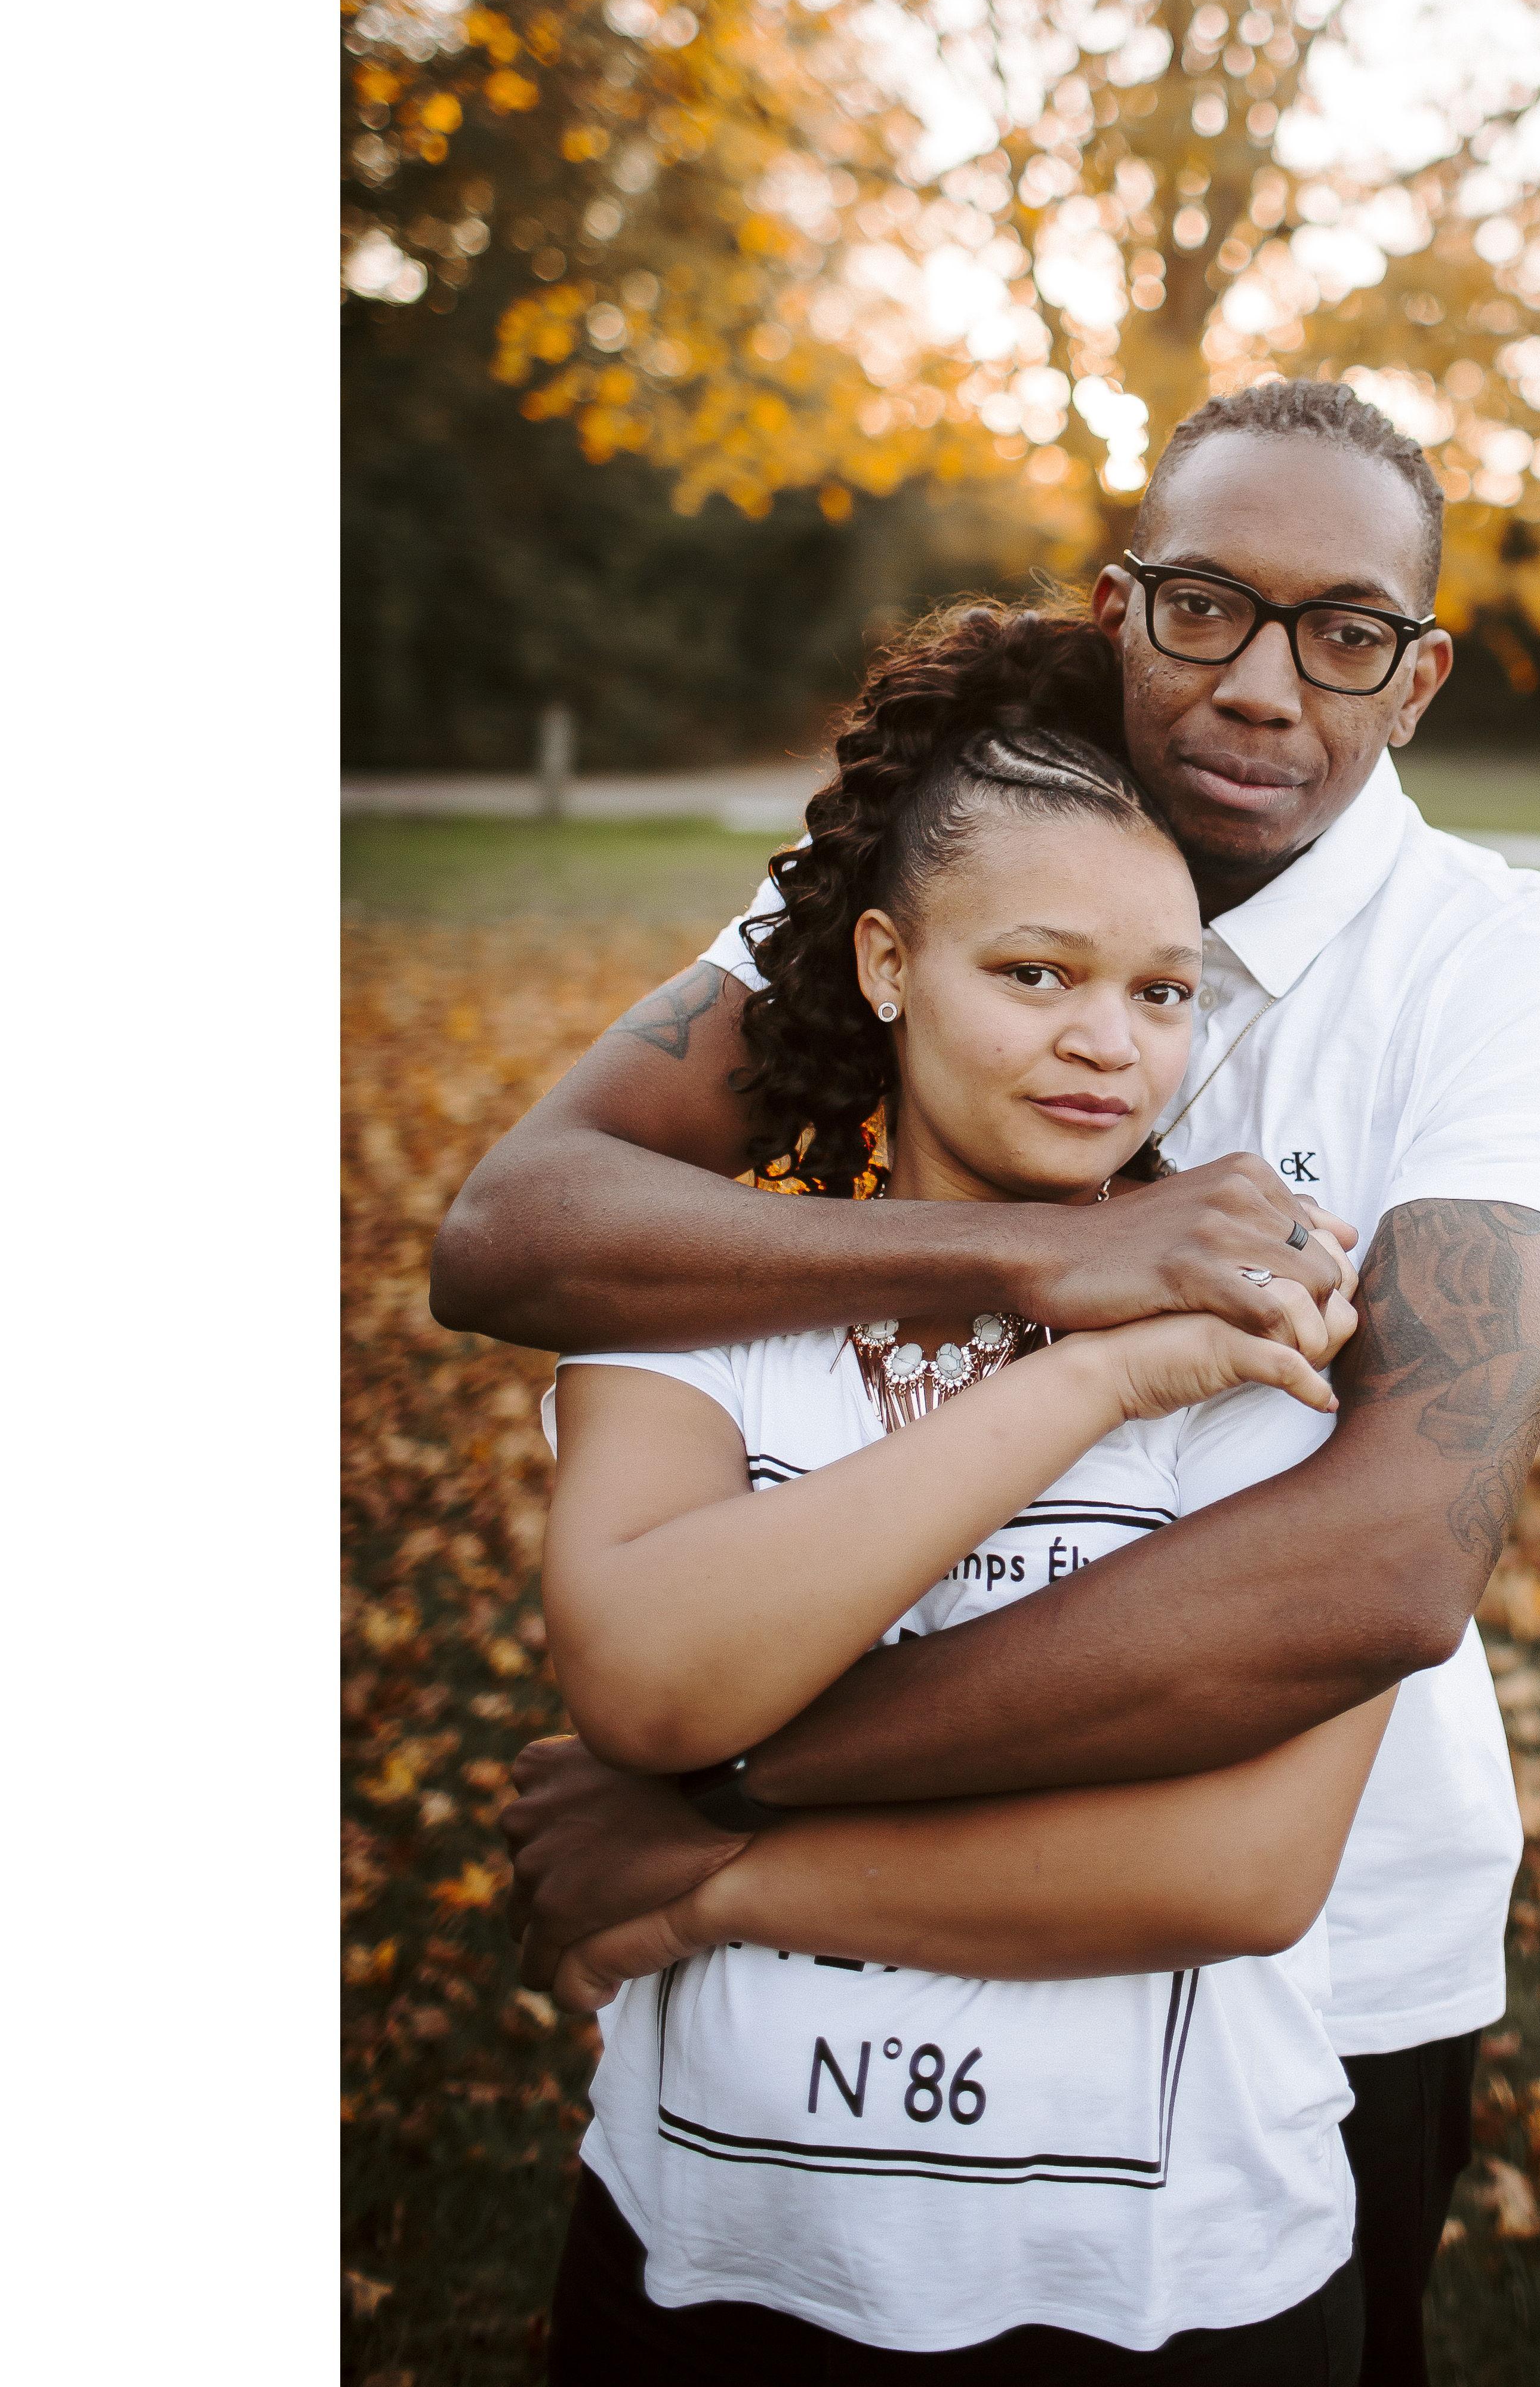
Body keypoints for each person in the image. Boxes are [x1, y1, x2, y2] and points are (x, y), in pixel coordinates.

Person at [439, 379, 1540, 2385]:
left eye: (1344, 634)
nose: (1261, 683)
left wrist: (723, 1794)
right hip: (800, 2065)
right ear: (1118, 606)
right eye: (1205, 606)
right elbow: (513, 1228)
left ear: (1417, 680)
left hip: (1314, 1947)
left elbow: (1390, 1560)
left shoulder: (1492, 968)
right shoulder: (950, 857)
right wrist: (1034, 1256)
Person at [535, 650, 1385, 2379]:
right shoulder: (698, 1307)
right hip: (718, 2273)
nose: (1109, 1043)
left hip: (1170, 2294)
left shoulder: (1271, 1335)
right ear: (887, 966)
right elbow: (651, 1681)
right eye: (1035, 972)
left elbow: (1238, 1867)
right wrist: (1087, 1380)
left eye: (1163, 993)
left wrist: (712, 1887)